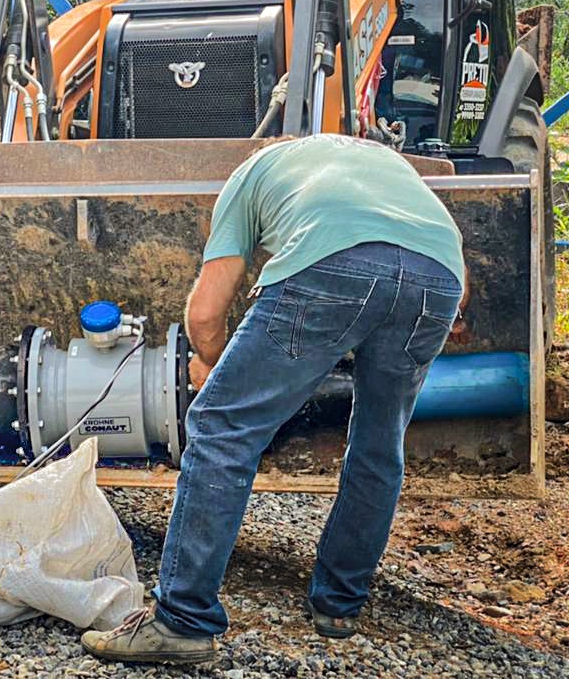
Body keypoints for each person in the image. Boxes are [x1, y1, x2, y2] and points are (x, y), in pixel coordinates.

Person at [81, 134, 467, 665]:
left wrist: (215, 368)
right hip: (440, 279)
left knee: (220, 426)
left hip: (331, 263)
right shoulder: (379, 160)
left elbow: (205, 313)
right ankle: (339, 604)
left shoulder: (251, 173)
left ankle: (183, 620)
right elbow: (421, 276)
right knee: (380, 443)